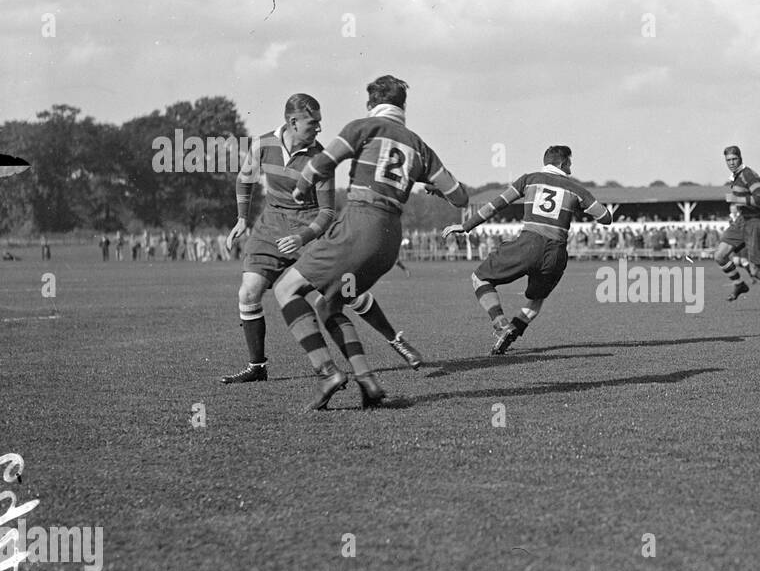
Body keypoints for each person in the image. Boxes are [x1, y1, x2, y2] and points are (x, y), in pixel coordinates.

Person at [275, 76, 469, 409]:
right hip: (390, 239)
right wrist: (433, 186)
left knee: (285, 289)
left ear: (371, 103)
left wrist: (301, 185)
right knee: (329, 305)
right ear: (403, 106)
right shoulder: (420, 146)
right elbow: (460, 196)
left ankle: (327, 374)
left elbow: (322, 163)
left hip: (361, 223)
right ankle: (368, 384)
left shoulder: (363, 127)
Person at [221, 94, 427, 385]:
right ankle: (258, 367)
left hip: (309, 226)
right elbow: (244, 178)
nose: (320, 128)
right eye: (313, 122)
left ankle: (396, 340)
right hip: (270, 225)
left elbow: (328, 212)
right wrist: (242, 218)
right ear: (292, 122)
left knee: (345, 291)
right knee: (248, 292)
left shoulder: (320, 158)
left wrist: (302, 236)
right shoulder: (262, 145)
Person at [443, 145, 613, 355]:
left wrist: (466, 226)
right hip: (556, 253)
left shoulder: (529, 179)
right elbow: (606, 218)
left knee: (480, 278)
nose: (571, 166)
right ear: (563, 163)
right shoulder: (576, 189)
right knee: (537, 298)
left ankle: (501, 324)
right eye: (570, 162)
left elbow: (497, 204)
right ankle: (514, 330)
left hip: (528, 244)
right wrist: (579, 206)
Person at [714, 146, 760, 311]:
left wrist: (737, 199)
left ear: (740, 158)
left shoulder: (748, 174)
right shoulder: (736, 177)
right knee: (719, 255)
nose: (731, 163)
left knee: (755, 270)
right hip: (742, 221)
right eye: (728, 160)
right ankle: (739, 284)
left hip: (756, 222)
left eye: (734, 159)